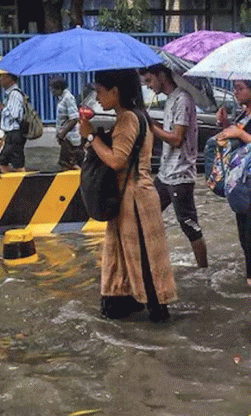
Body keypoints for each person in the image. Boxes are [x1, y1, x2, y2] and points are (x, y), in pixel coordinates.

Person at [78, 68, 177, 322]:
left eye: (100, 91)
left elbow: (116, 160)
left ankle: (157, 319)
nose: (97, 97)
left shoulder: (129, 119)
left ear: (116, 91)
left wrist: (89, 136)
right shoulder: (137, 116)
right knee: (126, 256)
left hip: (135, 200)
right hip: (135, 197)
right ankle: (131, 306)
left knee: (143, 260)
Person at [139, 64, 208, 268]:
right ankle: (150, 262)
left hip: (181, 175)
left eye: (150, 80)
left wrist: (152, 127)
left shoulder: (183, 100)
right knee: (146, 214)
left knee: (189, 225)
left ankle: (203, 271)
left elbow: (177, 139)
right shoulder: (170, 100)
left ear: (161, 75)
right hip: (165, 173)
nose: (149, 86)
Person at [215, 80, 251, 289]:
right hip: (240, 186)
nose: (235, 92)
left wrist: (239, 133)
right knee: (245, 239)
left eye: (240, 88)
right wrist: (225, 125)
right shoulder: (243, 115)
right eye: (234, 88)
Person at [49, 76, 83, 170]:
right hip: (65, 138)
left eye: (53, 88)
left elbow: (74, 118)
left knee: (68, 164)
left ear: (59, 88)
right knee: (66, 163)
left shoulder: (68, 98)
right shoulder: (62, 98)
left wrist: (62, 133)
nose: (51, 91)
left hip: (70, 138)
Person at [0, 73, 26, 173]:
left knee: (16, 163)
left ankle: (24, 185)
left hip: (15, 133)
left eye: (2, 77)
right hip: (10, 134)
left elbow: (14, 114)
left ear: (10, 79)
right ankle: (11, 185)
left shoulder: (14, 94)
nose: (0, 79)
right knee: (3, 161)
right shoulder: (9, 94)